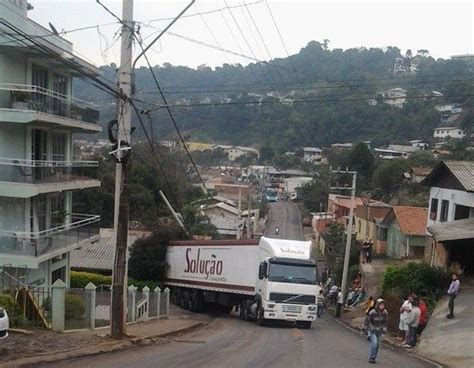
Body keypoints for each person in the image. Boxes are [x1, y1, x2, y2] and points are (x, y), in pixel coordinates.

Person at [364, 298, 388, 364]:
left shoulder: (385, 313)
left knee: (377, 345)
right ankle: (371, 357)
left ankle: (374, 357)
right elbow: (367, 321)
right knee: (374, 343)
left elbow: (385, 323)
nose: (382, 306)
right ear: (377, 305)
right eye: (380, 304)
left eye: (383, 305)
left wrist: (384, 333)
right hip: (372, 329)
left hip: (379, 330)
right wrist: (365, 330)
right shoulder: (372, 312)